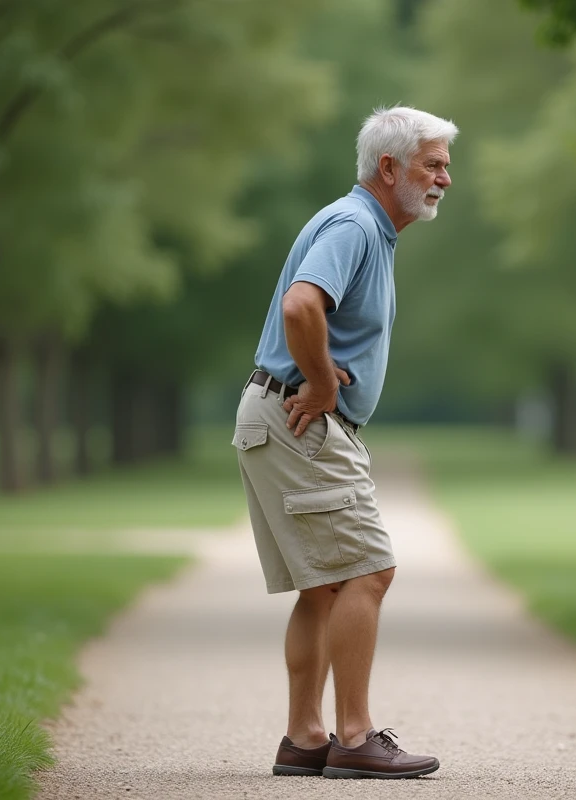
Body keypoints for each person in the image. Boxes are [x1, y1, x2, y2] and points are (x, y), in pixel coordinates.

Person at [232, 105, 457, 780]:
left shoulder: (370, 231)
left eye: (446, 163)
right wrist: (325, 384)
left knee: (325, 585)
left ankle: (305, 739)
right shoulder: (355, 223)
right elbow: (301, 307)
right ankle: (354, 737)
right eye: (433, 163)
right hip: (300, 415)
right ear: (388, 168)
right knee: (368, 571)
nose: (446, 176)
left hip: (274, 414)